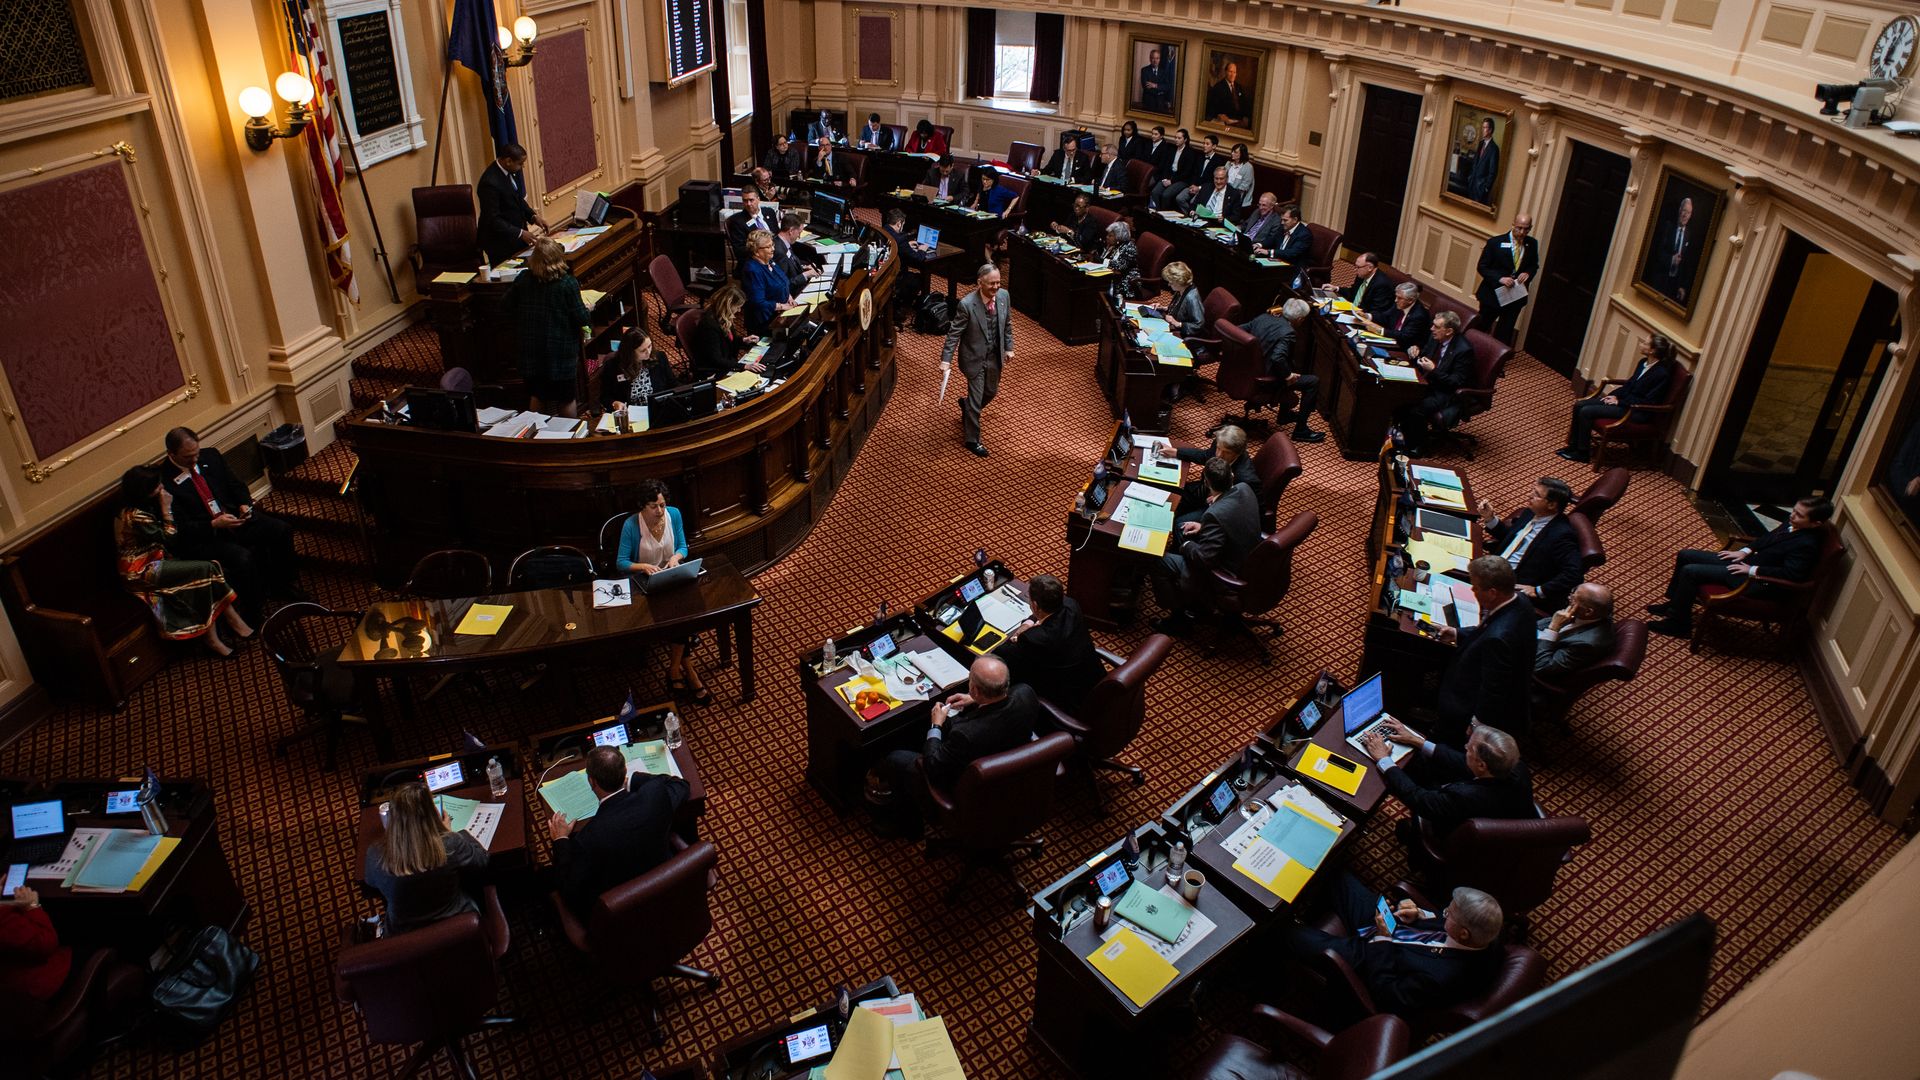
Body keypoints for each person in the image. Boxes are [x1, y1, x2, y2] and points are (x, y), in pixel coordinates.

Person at [1280, 869, 1506, 1016]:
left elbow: (1387, 995)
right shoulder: (1489, 934)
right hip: (1394, 927)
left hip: (1373, 956)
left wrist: (1383, 937)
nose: (1443, 913)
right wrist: (1420, 914)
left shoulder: (1437, 979)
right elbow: (1441, 923)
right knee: (1337, 876)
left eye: (1449, 913)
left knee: (1288, 934)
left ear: (1464, 934)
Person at [871, 655, 1039, 833]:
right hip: (1014, 773)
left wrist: (936, 724)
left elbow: (933, 766)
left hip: (967, 786)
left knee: (895, 758)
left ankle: (906, 824)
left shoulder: (965, 735)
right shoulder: (1026, 693)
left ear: (974, 688)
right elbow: (1006, 698)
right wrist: (975, 699)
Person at [161, 426, 301, 616]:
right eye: (188, 457)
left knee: (281, 529)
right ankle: (255, 611)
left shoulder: (210, 456)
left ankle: (283, 585)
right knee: (243, 558)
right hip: (208, 536)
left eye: (196, 453)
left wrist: (243, 504)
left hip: (236, 518)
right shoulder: (164, 481)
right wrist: (213, 525)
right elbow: (180, 527)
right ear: (171, 453)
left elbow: (236, 485)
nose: (195, 460)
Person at [1647, 497, 1833, 638]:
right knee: (1686, 555)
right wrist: (1745, 550)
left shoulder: (1807, 545)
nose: (1792, 515)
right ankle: (1674, 605)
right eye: (1794, 510)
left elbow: (1793, 575)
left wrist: (1752, 571)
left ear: (1815, 523)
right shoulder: (1793, 523)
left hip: (1760, 583)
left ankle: (1678, 624)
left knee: (1691, 571)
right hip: (1747, 563)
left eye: (1799, 515)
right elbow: (1769, 538)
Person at [115, 466, 251, 656]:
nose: (162, 487)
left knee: (205, 575)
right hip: (141, 569)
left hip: (157, 559)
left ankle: (218, 635)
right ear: (144, 492)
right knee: (207, 568)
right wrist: (166, 508)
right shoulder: (136, 515)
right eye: (157, 486)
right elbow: (170, 537)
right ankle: (233, 623)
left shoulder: (141, 506)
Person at [549, 745, 690, 917]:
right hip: (667, 890)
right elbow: (680, 785)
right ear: (624, 771)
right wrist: (632, 780)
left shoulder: (587, 839)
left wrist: (561, 839)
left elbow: (569, 890)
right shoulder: (655, 795)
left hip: (623, 914)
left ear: (591, 781)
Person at [614, 478, 713, 702]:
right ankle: (687, 671)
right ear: (643, 506)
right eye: (654, 506)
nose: (660, 510)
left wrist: (676, 558)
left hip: (672, 576)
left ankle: (675, 670)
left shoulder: (674, 514)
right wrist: (643, 566)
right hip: (646, 584)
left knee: (684, 614)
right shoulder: (631, 525)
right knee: (682, 619)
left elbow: (682, 547)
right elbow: (621, 563)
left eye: (662, 505)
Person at [1359, 718, 1535, 838]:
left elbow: (1419, 799)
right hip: (1504, 821)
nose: (1465, 747)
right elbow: (1461, 762)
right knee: (1423, 764)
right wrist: (1417, 741)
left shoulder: (1463, 797)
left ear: (1482, 765)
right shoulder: (1515, 766)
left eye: (1469, 748)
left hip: (1458, 837)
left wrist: (1384, 760)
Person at [1431, 555, 1536, 744]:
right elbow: (1488, 628)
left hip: (1465, 704)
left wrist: (1477, 725)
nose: (1472, 590)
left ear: (1493, 593)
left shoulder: (1499, 639)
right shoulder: (1520, 601)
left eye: (1476, 587)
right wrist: (1457, 633)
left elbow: (1493, 690)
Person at [363, 782, 491, 935]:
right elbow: (483, 861)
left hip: (405, 938)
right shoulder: (450, 844)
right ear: (431, 814)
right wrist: (450, 832)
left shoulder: (375, 853)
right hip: (458, 930)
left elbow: (370, 883)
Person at [1150, 458, 1261, 635]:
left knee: (1157, 561)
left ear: (1206, 482)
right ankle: (1188, 596)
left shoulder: (1214, 514)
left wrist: (1186, 545)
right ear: (1232, 476)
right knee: (1182, 529)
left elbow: (1204, 559)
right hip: (1249, 557)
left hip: (1226, 576)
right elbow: (1236, 519)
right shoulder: (1245, 488)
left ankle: (1179, 620)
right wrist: (1203, 527)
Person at [1556, 334, 1680, 462]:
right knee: (1579, 404)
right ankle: (1573, 446)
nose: (1641, 344)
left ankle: (1582, 453)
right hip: (1625, 402)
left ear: (1652, 351)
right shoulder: (1643, 362)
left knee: (1586, 411)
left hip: (1636, 411)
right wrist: (1614, 395)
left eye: (1645, 343)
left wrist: (1619, 401)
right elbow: (1630, 384)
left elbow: (1649, 401)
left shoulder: (1661, 374)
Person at [998, 574, 1105, 715]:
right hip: (1094, 682)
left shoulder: (1034, 639)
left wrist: (1018, 636)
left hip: (1069, 701)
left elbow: (1004, 654)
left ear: (1035, 605)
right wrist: (1029, 622)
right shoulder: (1072, 605)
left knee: (1008, 668)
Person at [509, 237, 591, 417]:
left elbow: (506, 306)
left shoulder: (523, 279)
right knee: (566, 398)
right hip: (560, 352)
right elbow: (581, 318)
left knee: (538, 395)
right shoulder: (567, 283)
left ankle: (538, 438)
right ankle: (569, 439)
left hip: (531, 350)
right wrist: (588, 309)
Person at [1476, 477, 1583, 611]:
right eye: (1533, 491)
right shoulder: (1530, 512)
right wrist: (1490, 518)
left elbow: (1574, 573)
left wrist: (1538, 590)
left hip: (1510, 582)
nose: (1530, 496)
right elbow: (1510, 538)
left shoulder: (1562, 534)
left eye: (1537, 495)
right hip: (1492, 566)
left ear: (1551, 505)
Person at [941, 263, 1014, 458]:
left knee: (991, 392)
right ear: (979, 283)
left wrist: (1009, 348)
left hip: (994, 357)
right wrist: (946, 359)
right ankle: (972, 439)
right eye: (992, 284)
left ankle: (967, 407)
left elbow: (1007, 324)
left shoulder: (1004, 297)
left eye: (998, 283)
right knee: (976, 399)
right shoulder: (966, 304)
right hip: (974, 359)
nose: (996, 287)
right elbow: (953, 334)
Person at [1239, 299, 1327, 443]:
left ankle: (1284, 415)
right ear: (1300, 319)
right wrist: (1288, 376)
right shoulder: (1288, 332)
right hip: (1265, 380)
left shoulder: (1264, 317)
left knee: (1290, 365)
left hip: (1245, 370)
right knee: (1312, 381)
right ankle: (1301, 430)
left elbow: (1239, 330)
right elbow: (1277, 358)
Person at [1394, 310, 1474, 455]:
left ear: (1449, 331)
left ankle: (1416, 447)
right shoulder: (1435, 338)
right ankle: (1399, 435)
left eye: (1436, 327)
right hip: (1428, 381)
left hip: (1445, 392)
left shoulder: (1463, 350)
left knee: (1417, 408)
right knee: (1400, 393)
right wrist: (1416, 352)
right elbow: (1425, 355)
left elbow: (1456, 382)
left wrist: (1434, 370)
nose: (1432, 329)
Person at [1156, 423, 1257, 526]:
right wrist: (1176, 452)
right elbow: (1205, 456)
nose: (1219, 455)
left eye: (1226, 452)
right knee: (1171, 493)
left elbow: (1248, 511)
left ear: (1238, 453)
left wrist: (1221, 498)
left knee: (1180, 524)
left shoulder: (1246, 478)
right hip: (1205, 489)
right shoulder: (1221, 443)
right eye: (1218, 449)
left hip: (1217, 508)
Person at [477, 142, 545, 265]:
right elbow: (493, 219)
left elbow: (517, 198)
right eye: (520, 163)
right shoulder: (490, 183)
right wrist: (520, 233)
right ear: (508, 161)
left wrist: (533, 216)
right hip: (500, 243)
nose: (522, 167)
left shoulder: (506, 172)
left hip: (515, 237)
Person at [1475, 214, 1538, 344]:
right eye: (1519, 228)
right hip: (1493, 295)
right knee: (1482, 327)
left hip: (1515, 296)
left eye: (1526, 229)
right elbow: (1482, 267)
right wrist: (1500, 279)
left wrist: (1528, 273)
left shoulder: (1532, 243)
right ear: (1513, 225)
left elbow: (1534, 265)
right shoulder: (1495, 243)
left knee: (1505, 333)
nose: (1522, 232)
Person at [1535, 582, 1617, 679]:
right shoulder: (1592, 613)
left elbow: (1542, 667)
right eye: (1572, 593)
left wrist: (1553, 627)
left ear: (1588, 612)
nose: (1569, 598)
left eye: (1573, 598)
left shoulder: (1588, 644)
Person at [688, 284, 765, 380]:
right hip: (712, 370)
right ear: (728, 305)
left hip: (725, 361)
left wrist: (744, 340)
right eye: (738, 307)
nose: (739, 310)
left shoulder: (723, 316)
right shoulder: (709, 325)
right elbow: (716, 359)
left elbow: (728, 340)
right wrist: (743, 366)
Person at [598, 333, 677, 413]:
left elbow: (672, 384)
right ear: (630, 352)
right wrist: (614, 403)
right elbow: (604, 397)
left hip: (658, 409)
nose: (648, 352)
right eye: (643, 350)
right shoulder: (613, 366)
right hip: (629, 412)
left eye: (649, 346)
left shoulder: (659, 357)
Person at [741, 230, 796, 334]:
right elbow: (758, 302)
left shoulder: (770, 261)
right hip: (764, 322)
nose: (773, 249)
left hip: (780, 315)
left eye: (772, 245)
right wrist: (781, 306)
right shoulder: (753, 270)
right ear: (756, 251)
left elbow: (782, 282)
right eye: (768, 247)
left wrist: (789, 297)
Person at [1647, 197, 1701, 303]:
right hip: (1659, 279)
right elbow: (1656, 251)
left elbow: (1688, 265)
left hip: (1675, 285)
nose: (1685, 215)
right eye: (1684, 211)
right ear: (1679, 210)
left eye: (1688, 213)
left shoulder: (1689, 235)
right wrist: (1671, 259)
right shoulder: (1667, 227)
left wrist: (1682, 286)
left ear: (1690, 216)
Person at [727, 187, 780, 269]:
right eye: (745, 200)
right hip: (756, 261)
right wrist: (764, 251)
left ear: (758, 199)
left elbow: (777, 235)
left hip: (776, 255)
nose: (748, 204)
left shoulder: (769, 212)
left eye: (751, 200)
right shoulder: (737, 221)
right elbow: (740, 250)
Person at [1369, 281, 1432, 350]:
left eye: (1399, 298)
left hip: (1402, 347)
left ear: (1410, 300)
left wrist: (1380, 330)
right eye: (1396, 297)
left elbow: (1404, 336)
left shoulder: (1419, 315)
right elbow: (1385, 317)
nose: (1396, 300)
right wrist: (1368, 316)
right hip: (1391, 340)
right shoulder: (1400, 304)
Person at [1172, 135, 1228, 212]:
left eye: (1207, 144)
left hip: (1206, 188)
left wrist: (1199, 188)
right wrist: (1192, 185)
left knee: (1193, 202)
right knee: (1180, 198)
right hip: (1194, 185)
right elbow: (1193, 173)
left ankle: (1192, 216)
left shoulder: (1219, 161)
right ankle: (1189, 214)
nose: (1204, 146)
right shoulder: (1199, 156)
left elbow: (1213, 181)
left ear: (1214, 146)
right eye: (1204, 143)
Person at [1149, 129, 1200, 210]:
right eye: (1175, 137)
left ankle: (1165, 215)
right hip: (1169, 176)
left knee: (1166, 195)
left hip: (1181, 180)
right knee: (1155, 192)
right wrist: (1165, 178)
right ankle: (1157, 213)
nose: (1176, 140)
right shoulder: (1172, 149)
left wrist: (1171, 181)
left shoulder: (1190, 153)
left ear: (1185, 140)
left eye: (1179, 138)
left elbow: (1186, 173)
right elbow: (1166, 166)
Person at [771, 211, 820, 294]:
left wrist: (804, 267)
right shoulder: (779, 252)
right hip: (792, 294)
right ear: (791, 231)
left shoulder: (781, 242)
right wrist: (806, 275)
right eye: (799, 233)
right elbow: (784, 284)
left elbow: (790, 263)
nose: (799, 236)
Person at [1342, 253, 1398, 322]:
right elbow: (1353, 292)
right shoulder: (1362, 275)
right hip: (1353, 312)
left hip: (1365, 319)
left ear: (1370, 268)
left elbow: (1377, 312)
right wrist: (1336, 288)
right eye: (1355, 266)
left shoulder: (1382, 285)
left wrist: (1361, 315)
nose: (1355, 270)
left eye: (1358, 267)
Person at [1159, 262, 1204, 337]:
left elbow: (1198, 325)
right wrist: (1163, 308)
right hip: (1171, 326)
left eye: (1171, 282)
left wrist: (1177, 323)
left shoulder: (1191, 298)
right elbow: (1179, 308)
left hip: (1183, 336)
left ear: (1179, 282)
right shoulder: (1181, 289)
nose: (1169, 284)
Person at [1099, 221, 1141, 300]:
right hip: (1113, 275)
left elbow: (1120, 266)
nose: (1107, 237)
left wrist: (1103, 261)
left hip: (1127, 280)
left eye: (1110, 235)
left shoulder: (1130, 248)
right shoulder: (1115, 245)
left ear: (1119, 236)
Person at [1206, 60, 1254, 127]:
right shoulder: (1218, 87)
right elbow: (1212, 107)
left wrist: (1246, 116)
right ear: (1225, 72)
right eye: (1230, 72)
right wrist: (1218, 115)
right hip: (1226, 122)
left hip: (1239, 120)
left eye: (1234, 72)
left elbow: (1244, 104)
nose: (1232, 75)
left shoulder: (1239, 87)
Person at [1465, 117, 1501, 205]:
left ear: (1490, 130)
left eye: (1485, 128)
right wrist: (1470, 177)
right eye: (1482, 127)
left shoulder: (1494, 149)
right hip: (1472, 184)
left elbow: (1493, 172)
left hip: (1481, 188)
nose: (1483, 130)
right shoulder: (1481, 143)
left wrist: (1486, 188)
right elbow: (1475, 162)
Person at [1139, 47, 1174, 114]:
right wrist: (1161, 90)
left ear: (1160, 59)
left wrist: (1155, 85)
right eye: (1153, 58)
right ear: (1150, 59)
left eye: (1157, 58)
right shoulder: (1144, 70)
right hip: (1148, 102)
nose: (1155, 60)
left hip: (1161, 102)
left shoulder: (1164, 72)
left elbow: (1167, 87)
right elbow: (1146, 87)